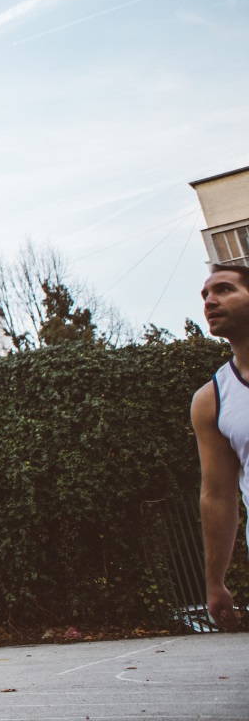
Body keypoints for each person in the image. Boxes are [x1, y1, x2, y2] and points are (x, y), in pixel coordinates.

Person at [191, 262, 249, 631]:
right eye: (206, 295)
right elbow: (217, 494)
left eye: (225, 289)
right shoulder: (211, 399)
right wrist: (215, 583)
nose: (211, 300)